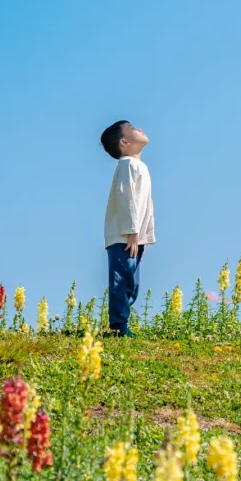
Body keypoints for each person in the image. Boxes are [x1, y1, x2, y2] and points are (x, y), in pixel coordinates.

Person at [99, 121, 155, 336]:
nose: (140, 128)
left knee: (132, 281)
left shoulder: (140, 167)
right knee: (122, 280)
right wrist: (132, 232)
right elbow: (127, 199)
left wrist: (145, 236)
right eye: (133, 128)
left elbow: (145, 205)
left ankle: (122, 325)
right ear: (124, 142)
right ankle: (118, 327)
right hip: (124, 235)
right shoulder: (128, 165)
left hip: (134, 236)